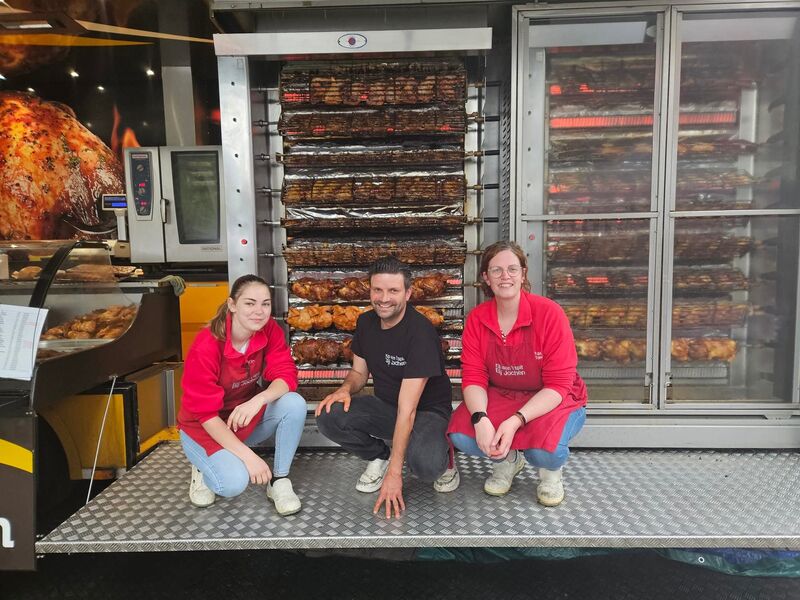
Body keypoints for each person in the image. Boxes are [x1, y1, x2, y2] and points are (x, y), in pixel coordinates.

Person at [315, 256, 459, 519]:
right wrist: (345, 389)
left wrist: (395, 475)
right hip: (388, 407)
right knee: (328, 415)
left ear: (408, 293)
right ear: (369, 290)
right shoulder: (365, 323)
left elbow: (408, 410)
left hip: (427, 412)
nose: (384, 298)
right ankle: (378, 456)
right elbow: (359, 372)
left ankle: (445, 456)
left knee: (425, 466)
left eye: (393, 291)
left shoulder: (420, 333)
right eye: (377, 290)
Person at [447, 241, 587, 507]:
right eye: (496, 270)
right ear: (486, 277)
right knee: (462, 435)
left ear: (523, 274)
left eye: (512, 269)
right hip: (503, 394)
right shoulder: (477, 319)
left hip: (550, 398)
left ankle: (550, 474)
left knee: (543, 453)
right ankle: (508, 460)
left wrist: (515, 421)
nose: (505, 276)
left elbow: (558, 385)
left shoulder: (549, 314)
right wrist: (480, 418)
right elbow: (474, 377)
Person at [178, 274, 307, 516]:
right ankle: (202, 467)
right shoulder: (206, 345)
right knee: (233, 483)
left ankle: (279, 480)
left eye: (265, 304)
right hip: (203, 427)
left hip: (242, 417)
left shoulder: (268, 329)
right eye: (250, 303)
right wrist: (250, 458)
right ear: (232, 305)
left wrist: (259, 399)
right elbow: (206, 415)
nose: (259, 311)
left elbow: (286, 374)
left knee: (294, 403)